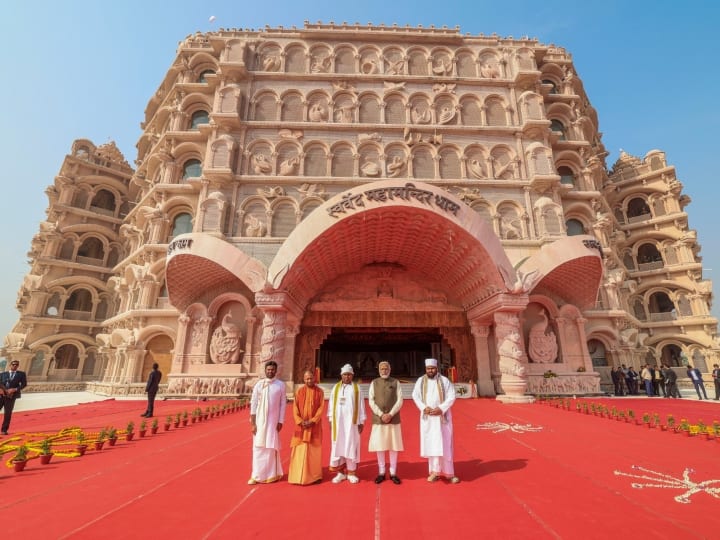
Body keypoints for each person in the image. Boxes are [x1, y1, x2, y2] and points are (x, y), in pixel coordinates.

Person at [412, 358, 459, 484]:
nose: (430, 371)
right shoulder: (421, 381)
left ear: (437, 368)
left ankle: (449, 473)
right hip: (428, 419)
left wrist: (441, 409)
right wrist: (423, 408)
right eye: (428, 369)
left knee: (445, 445)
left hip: (442, 419)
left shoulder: (444, 381)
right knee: (432, 445)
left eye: (432, 368)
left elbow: (451, 396)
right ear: (425, 369)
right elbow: (415, 396)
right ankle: (434, 472)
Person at [248, 360, 286, 484]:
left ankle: (271, 474)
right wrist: (253, 423)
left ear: (276, 371)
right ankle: (256, 475)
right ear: (265, 370)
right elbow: (253, 403)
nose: (270, 371)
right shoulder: (259, 384)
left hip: (273, 422)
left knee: (270, 447)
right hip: (259, 421)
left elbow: (282, 404)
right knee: (258, 447)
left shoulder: (280, 385)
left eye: (272, 369)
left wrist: (280, 421)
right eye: (268, 369)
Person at [328, 363, 366, 484]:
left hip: (352, 424)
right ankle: (340, 473)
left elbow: (361, 405)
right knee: (338, 446)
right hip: (338, 424)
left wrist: (361, 421)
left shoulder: (357, 388)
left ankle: (351, 473)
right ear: (341, 375)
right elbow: (330, 405)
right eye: (345, 374)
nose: (347, 377)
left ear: (352, 375)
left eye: (349, 374)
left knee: (351, 446)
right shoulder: (335, 388)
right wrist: (330, 419)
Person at [368, 361, 404, 485]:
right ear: (379, 370)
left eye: (386, 368)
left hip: (393, 419)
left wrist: (390, 414)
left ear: (390, 369)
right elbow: (371, 401)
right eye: (382, 369)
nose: (384, 371)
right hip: (379, 419)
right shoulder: (374, 383)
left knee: (393, 446)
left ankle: (393, 472)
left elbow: (400, 400)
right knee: (380, 446)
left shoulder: (396, 382)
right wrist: (381, 415)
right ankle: (381, 472)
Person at [288, 370, 324, 485]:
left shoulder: (320, 392)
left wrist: (313, 421)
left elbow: (321, 408)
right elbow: (295, 408)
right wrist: (299, 421)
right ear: (304, 379)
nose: (309, 380)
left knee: (314, 452)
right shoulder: (299, 391)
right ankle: (297, 476)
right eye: (307, 379)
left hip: (314, 426)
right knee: (299, 450)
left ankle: (314, 476)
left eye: (311, 378)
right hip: (301, 426)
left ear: (314, 378)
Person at [1, 360, 28, 435]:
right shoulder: (3, 374)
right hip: (1, 396)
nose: (15, 366)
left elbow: (24, 384)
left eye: (16, 365)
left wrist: (15, 389)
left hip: (11, 396)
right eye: (13, 364)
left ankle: (4, 430)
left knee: (8, 414)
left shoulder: (21, 374)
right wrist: (1, 390)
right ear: (10, 365)